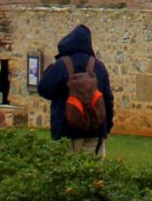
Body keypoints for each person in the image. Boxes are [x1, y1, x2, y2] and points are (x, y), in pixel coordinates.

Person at [37, 22, 115, 155]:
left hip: (66, 130)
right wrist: (106, 127)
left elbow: (44, 89)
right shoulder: (98, 66)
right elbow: (108, 99)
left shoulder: (61, 65)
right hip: (95, 130)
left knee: (66, 172)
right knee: (93, 172)